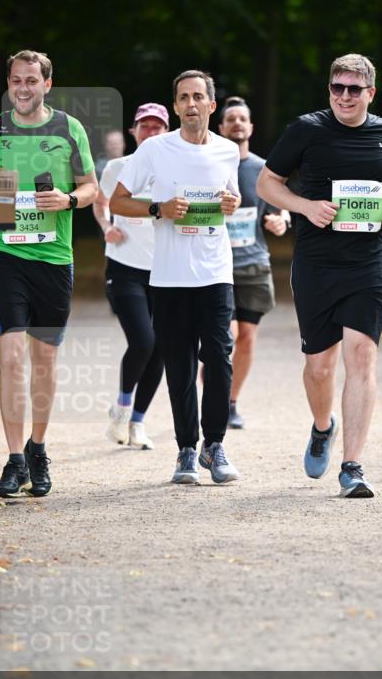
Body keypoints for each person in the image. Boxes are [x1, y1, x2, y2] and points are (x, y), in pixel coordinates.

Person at [256, 53, 382, 498]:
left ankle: (353, 467)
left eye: (353, 89)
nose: (344, 96)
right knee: (319, 366)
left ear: (371, 93)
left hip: (370, 263)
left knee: (361, 356)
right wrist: (305, 207)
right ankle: (322, 426)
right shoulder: (306, 129)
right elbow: (267, 183)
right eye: (337, 88)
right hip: (317, 264)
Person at [0, 49, 98, 497]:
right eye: (16, 80)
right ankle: (13, 460)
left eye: (31, 80)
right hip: (6, 254)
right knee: (10, 356)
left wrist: (68, 200)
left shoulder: (69, 128)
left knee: (44, 360)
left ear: (47, 84)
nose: (22, 88)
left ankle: (37, 449)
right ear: (8, 83)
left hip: (54, 257)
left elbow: (90, 186)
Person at [109, 70, 241, 486]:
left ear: (211, 105)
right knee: (179, 365)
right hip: (169, 277)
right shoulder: (155, 150)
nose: (190, 104)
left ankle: (214, 445)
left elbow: (231, 198)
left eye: (197, 96)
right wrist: (158, 209)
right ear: (176, 106)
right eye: (183, 97)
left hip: (215, 272)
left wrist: (232, 202)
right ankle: (186, 449)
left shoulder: (227, 151)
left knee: (218, 359)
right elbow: (118, 202)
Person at [93, 102, 169, 450]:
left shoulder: (175, 168)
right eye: (145, 126)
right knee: (143, 341)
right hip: (125, 268)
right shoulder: (118, 167)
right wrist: (106, 227)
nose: (151, 132)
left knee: (161, 348)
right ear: (133, 131)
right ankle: (122, 406)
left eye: (157, 127)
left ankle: (137, 422)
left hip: (165, 270)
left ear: (166, 131)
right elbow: (100, 201)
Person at [217, 96, 288, 429]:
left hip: (254, 263)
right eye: (230, 119)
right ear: (221, 127)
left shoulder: (263, 169)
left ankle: (230, 403)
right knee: (226, 336)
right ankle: (215, 388)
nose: (237, 123)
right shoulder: (210, 165)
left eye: (242, 118)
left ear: (251, 127)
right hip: (216, 265)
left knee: (246, 337)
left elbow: (281, 209)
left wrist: (281, 221)